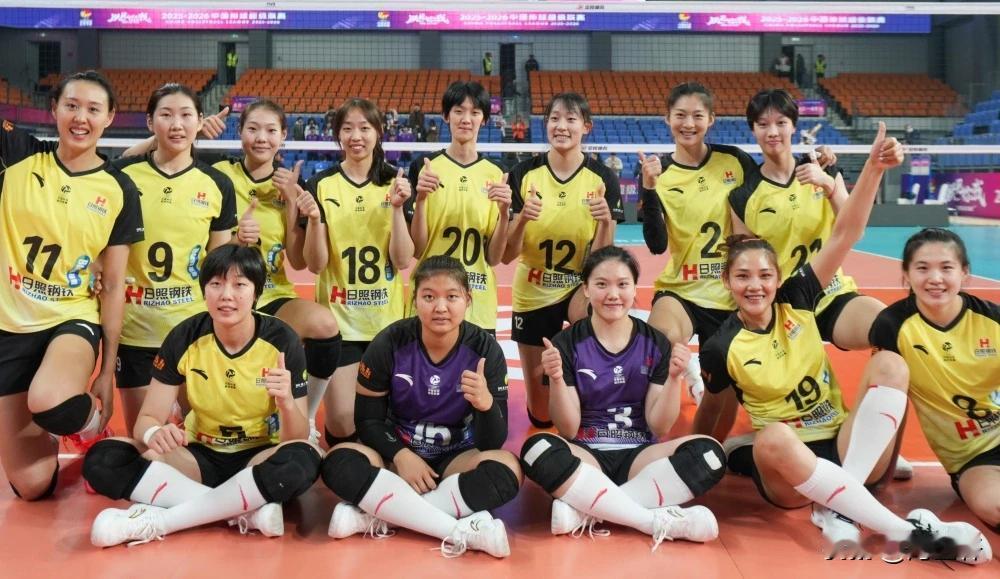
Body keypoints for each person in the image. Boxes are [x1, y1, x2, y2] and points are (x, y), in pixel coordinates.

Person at [700, 126, 991, 564]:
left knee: (892, 363)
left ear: (778, 279)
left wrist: (872, 169)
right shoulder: (722, 344)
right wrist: (696, 459)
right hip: (791, 473)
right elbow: (712, 410)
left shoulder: (798, 298)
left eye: (764, 275)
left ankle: (840, 508)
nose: (754, 286)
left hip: (843, 447)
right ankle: (905, 532)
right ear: (727, 282)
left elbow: (846, 233)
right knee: (772, 438)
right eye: (742, 277)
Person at [724, 89, 914, 478]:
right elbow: (745, 257)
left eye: (781, 123)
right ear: (753, 131)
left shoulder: (821, 169)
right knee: (782, 391)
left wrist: (829, 184)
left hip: (831, 294)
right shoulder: (743, 194)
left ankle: (876, 443)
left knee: (895, 331)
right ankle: (766, 440)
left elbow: (853, 227)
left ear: (794, 126)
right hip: (785, 306)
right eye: (763, 124)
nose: (772, 131)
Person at [82, 245, 322, 546]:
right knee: (103, 460)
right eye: (216, 284)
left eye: (239, 285)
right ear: (204, 290)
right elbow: (147, 419)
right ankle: (244, 511)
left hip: (258, 458)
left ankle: (164, 520)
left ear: (256, 293)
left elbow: (295, 438)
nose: (226, 295)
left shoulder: (281, 340)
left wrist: (286, 402)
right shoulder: (185, 336)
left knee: (303, 459)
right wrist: (157, 432)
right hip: (199, 457)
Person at [520, 246, 725, 548]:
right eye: (602, 284)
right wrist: (558, 379)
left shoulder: (655, 343)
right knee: (535, 450)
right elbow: (568, 428)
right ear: (586, 289)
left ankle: (588, 510)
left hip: (640, 455)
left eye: (623, 284)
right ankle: (651, 519)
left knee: (711, 454)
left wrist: (674, 379)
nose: (613, 294)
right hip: (587, 454)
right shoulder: (566, 343)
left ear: (634, 288)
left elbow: (659, 426)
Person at [0, 71, 143, 500]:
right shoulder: (20, 157)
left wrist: (107, 371)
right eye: (72, 106)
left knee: (50, 399)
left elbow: (113, 284)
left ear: (110, 117)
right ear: (54, 110)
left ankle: (89, 427)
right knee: (32, 487)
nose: (81, 117)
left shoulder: (119, 188)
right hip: (11, 325)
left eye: (93, 109)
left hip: (71, 318)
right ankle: (50, 428)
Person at [320, 256, 520, 558]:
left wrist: (486, 404)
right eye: (429, 297)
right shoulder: (389, 342)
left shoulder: (484, 349)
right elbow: (368, 421)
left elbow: (493, 442)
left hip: (456, 456)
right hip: (397, 454)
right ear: (414, 300)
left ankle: (380, 515)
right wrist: (401, 456)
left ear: (467, 300)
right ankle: (460, 528)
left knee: (507, 470)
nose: (440, 307)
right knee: (338, 462)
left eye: (451, 297)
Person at [288, 98, 413, 447]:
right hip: (340, 323)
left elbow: (403, 260)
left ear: (379, 132)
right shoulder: (322, 183)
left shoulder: (395, 182)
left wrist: (398, 209)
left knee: (387, 418)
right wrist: (315, 221)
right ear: (337, 135)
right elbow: (315, 265)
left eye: (364, 128)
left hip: (385, 322)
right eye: (347, 129)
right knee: (342, 421)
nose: (356, 136)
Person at [113, 84, 236, 434]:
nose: (176, 124)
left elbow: (218, 268)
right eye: (165, 115)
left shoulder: (217, 184)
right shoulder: (124, 176)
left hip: (192, 329)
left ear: (201, 121)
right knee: (145, 439)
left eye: (186, 115)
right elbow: (116, 163)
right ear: (150, 122)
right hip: (136, 330)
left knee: (204, 437)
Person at [503, 92, 624, 427]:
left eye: (571, 119)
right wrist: (522, 219)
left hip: (577, 288)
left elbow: (603, 262)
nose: (561, 126)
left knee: (604, 310)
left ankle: (591, 385)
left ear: (586, 126)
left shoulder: (602, 179)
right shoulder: (524, 174)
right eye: (554, 118)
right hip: (533, 290)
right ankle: (548, 399)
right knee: (542, 416)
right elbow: (507, 256)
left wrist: (605, 222)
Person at [638, 82, 758, 417]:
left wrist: (818, 163)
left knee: (722, 401)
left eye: (697, 116)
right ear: (667, 119)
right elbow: (657, 244)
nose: (688, 123)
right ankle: (685, 374)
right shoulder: (658, 171)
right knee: (659, 338)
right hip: (683, 290)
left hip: (730, 293)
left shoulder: (735, 160)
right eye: (680, 115)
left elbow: (771, 190)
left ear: (711, 119)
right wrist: (649, 189)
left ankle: (700, 377)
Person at [869, 228, 1000, 532]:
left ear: (964, 273)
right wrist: (881, 470)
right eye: (923, 268)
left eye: (946, 267)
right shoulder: (893, 325)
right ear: (906, 274)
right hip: (973, 458)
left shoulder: (992, 320)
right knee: (994, 506)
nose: (935, 278)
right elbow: (890, 399)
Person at [408, 81, 511, 335]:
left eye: (474, 112)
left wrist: (504, 215)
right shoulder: (424, 167)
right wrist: (420, 200)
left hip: (477, 298)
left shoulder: (497, 173)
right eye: (458, 111)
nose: (466, 119)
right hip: (431, 294)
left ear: (484, 120)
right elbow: (417, 250)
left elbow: (494, 258)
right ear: (446, 116)